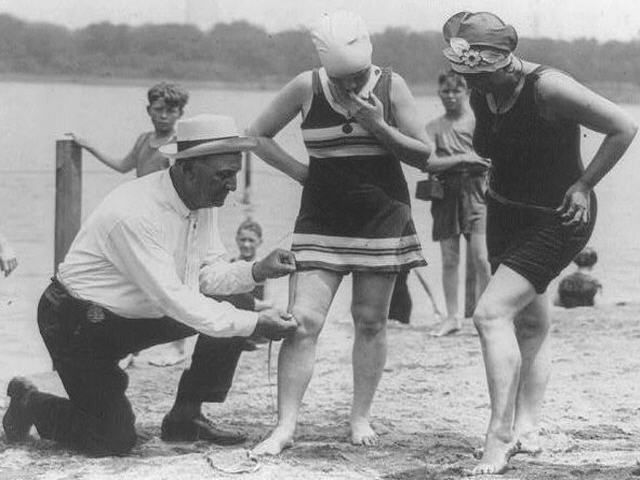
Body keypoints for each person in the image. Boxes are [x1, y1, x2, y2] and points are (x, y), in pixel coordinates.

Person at [2, 114, 299, 456]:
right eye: (224, 175)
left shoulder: (201, 197)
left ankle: (186, 417)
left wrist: (257, 270)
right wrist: (256, 324)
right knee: (112, 440)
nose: (232, 186)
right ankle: (30, 403)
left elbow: (206, 276)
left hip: (135, 314)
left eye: (234, 173)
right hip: (77, 323)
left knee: (241, 303)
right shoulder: (135, 213)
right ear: (187, 169)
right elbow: (175, 300)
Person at [441, 11, 637, 475]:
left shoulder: (549, 87)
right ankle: (528, 426)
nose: (470, 82)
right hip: (505, 211)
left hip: (560, 217)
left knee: (489, 314)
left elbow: (624, 127)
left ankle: (500, 434)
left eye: (477, 73)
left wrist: (585, 184)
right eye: (466, 74)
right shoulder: (482, 85)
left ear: (505, 60)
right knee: (530, 322)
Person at [246, 11, 432, 455]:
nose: (350, 86)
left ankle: (359, 416)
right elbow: (257, 136)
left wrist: (379, 126)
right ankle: (285, 425)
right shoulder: (306, 86)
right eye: (342, 78)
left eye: (358, 76)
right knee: (302, 323)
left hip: (381, 218)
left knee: (370, 322)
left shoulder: (392, 85)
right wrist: (303, 174)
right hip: (322, 219)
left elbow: (425, 156)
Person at [69, 82, 190, 367]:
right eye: (158, 109)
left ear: (180, 113)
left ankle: (178, 346)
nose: (163, 116)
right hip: (139, 218)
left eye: (171, 111)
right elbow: (123, 166)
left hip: (168, 220)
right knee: (132, 281)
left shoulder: (179, 144)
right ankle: (129, 349)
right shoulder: (143, 139)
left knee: (171, 281)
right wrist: (89, 146)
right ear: (149, 110)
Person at [424, 71, 492, 336]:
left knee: (482, 258)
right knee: (450, 258)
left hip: (478, 192)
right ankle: (452, 317)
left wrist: (470, 160)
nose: (451, 97)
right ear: (439, 94)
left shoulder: (478, 124)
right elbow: (428, 163)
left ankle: (485, 314)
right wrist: (464, 159)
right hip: (446, 194)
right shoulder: (432, 128)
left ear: (466, 93)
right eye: (445, 92)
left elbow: (490, 159)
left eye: (456, 91)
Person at [232, 219, 273, 350]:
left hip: (256, 320)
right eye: (243, 240)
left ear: (260, 242)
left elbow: (270, 302)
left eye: (251, 240)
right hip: (235, 321)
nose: (246, 244)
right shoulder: (230, 265)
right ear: (237, 239)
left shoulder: (264, 267)